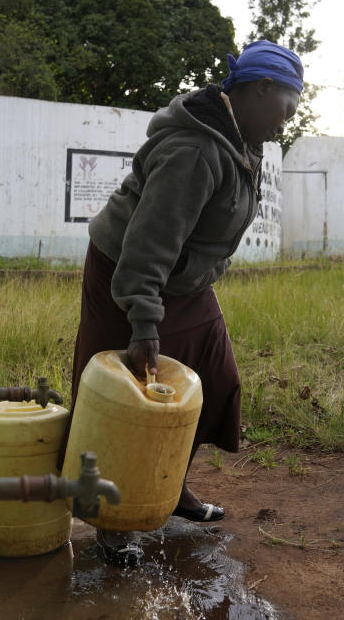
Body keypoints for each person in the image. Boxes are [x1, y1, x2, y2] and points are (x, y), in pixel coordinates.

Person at [61, 40, 303, 567]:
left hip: (185, 280)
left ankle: (168, 486)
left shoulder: (243, 139)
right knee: (125, 399)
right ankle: (112, 517)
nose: (287, 122)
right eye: (287, 107)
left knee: (215, 380)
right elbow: (147, 243)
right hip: (128, 272)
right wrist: (143, 321)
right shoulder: (196, 150)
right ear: (260, 89)